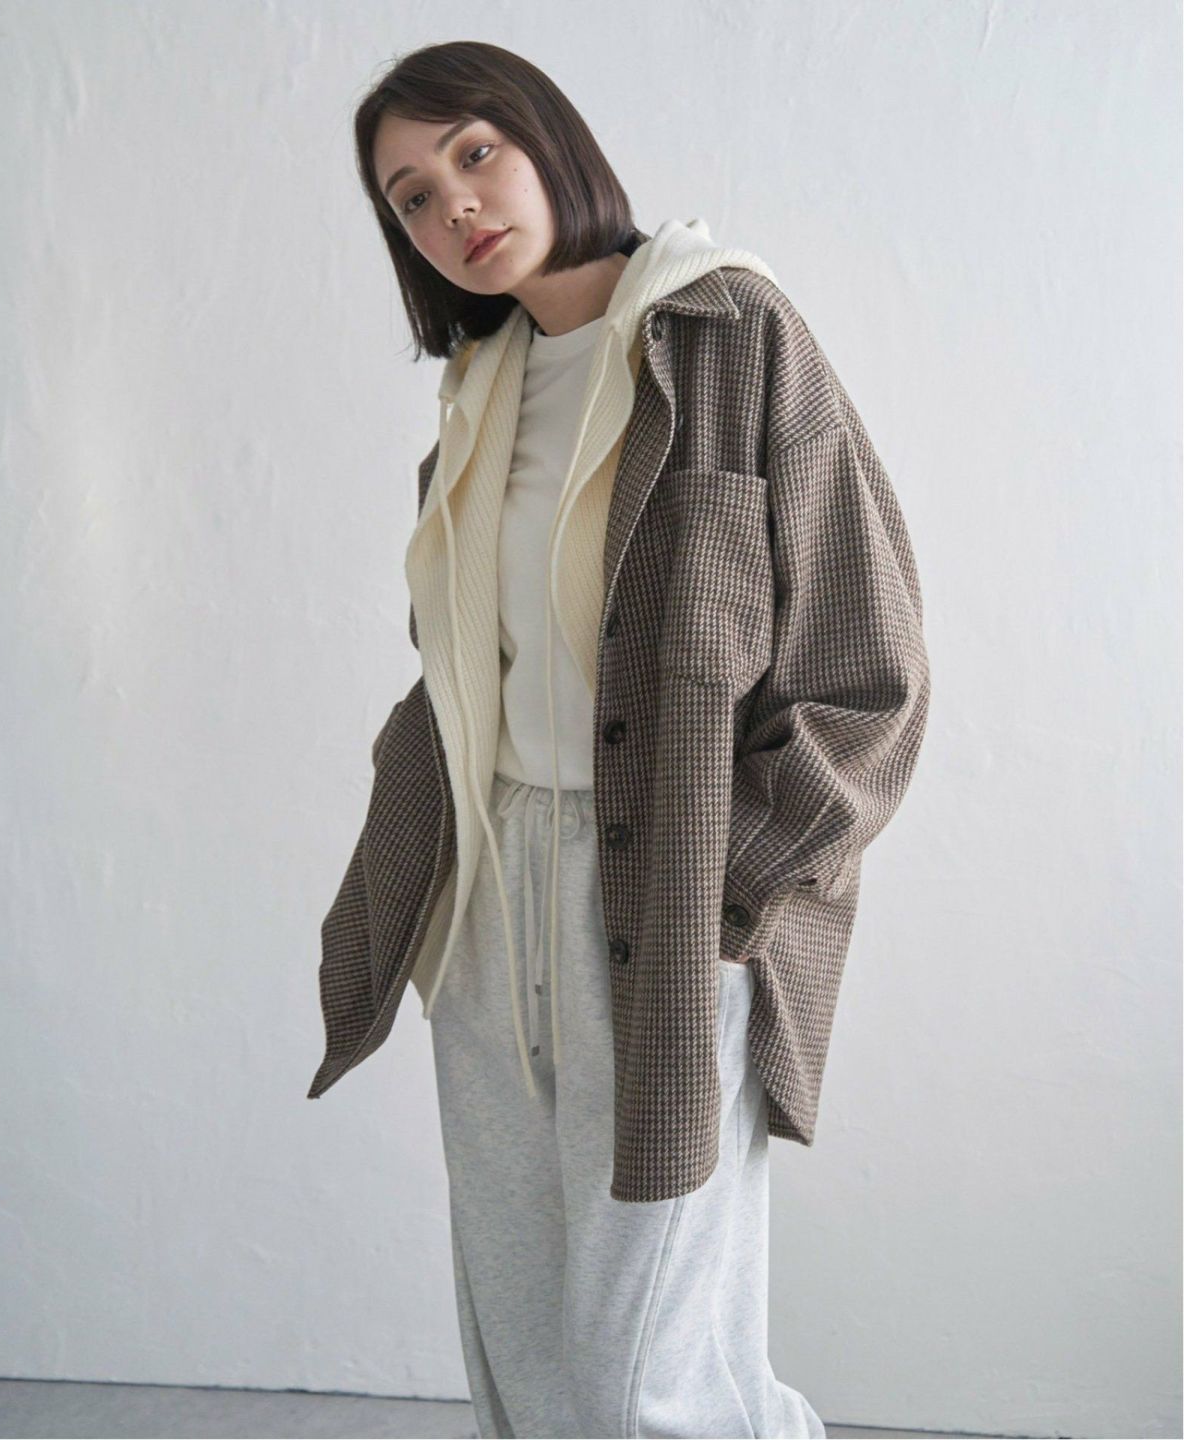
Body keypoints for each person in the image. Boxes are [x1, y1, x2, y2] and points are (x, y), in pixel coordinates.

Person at [311, 38, 931, 1440]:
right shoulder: (480, 391)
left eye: (474, 153)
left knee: (645, 1362)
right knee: (525, 1336)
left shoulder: (728, 332)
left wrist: (736, 891)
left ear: (548, 138)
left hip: (668, 882)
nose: (456, 206)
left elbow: (869, 667)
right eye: (412, 198)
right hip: (490, 886)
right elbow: (459, 670)